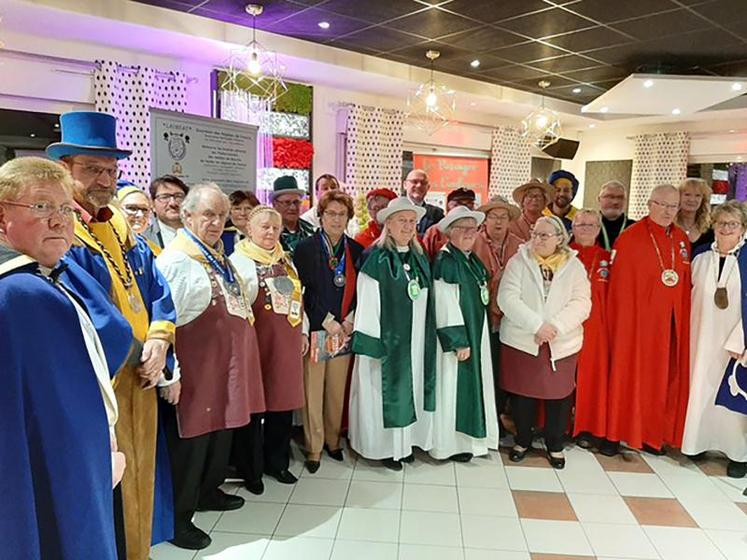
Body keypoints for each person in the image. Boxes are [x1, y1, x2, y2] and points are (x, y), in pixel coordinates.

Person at [48, 111, 177, 560]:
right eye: (92, 169)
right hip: (102, 383)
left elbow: (158, 288)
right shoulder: (64, 234)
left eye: (111, 169)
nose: (104, 179)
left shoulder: (122, 227)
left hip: (143, 377)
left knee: (143, 475)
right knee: (107, 481)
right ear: (65, 169)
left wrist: (161, 342)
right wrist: (139, 349)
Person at [0, 157, 132, 560]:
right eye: (40, 206)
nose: (59, 220)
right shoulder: (21, 295)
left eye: (64, 208)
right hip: (64, 468)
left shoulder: (45, 275)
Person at [156, 183, 265, 549]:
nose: (216, 222)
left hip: (224, 368)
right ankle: (178, 519)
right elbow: (163, 323)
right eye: (208, 215)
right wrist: (169, 374)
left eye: (220, 215)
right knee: (191, 445)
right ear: (187, 216)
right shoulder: (177, 260)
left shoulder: (218, 254)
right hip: (195, 372)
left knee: (220, 435)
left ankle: (208, 491)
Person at [349, 197, 437, 470]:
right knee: (382, 391)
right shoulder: (376, 257)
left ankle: (405, 444)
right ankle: (385, 448)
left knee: (411, 389)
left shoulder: (419, 256)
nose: (409, 226)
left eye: (412, 221)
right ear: (388, 223)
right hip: (386, 342)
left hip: (415, 338)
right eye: (402, 221)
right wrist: (371, 343)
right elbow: (367, 300)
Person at [498, 216, 591, 469]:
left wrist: (555, 328)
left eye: (544, 235)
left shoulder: (574, 266)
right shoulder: (519, 261)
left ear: (560, 239)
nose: (537, 239)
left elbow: (582, 303)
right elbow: (507, 297)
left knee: (559, 397)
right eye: (535, 233)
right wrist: (537, 326)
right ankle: (523, 440)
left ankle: (555, 445)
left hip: (561, 342)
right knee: (522, 395)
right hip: (523, 339)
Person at [605, 184, 692, 456]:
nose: (668, 211)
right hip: (636, 327)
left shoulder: (681, 239)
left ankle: (651, 435)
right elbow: (619, 289)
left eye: (673, 206)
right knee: (628, 377)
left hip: (669, 327)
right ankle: (617, 433)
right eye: (663, 205)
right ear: (649, 204)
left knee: (661, 382)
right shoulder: (630, 238)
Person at [231, 205, 308, 492]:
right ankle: (251, 471)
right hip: (255, 344)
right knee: (252, 409)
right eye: (264, 226)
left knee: (281, 406)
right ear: (249, 229)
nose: (271, 232)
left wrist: (303, 330)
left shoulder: (286, 260)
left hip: (285, 344)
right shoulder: (239, 261)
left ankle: (278, 463)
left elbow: (298, 297)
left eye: (275, 227)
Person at [294, 191, 365, 473]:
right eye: (331, 213)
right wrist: (326, 321)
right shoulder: (305, 248)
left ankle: (333, 441)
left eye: (342, 214)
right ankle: (314, 447)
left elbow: (361, 292)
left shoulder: (357, 251)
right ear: (320, 215)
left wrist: (348, 320)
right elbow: (302, 292)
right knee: (313, 390)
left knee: (337, 390)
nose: (336, 219)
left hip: (344, 331)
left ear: (349, 218)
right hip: (317, 330)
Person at [682, 201, 747, 478]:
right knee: (701, 389)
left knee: (734, 398)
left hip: (735, 343)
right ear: (714, 225)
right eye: (721, 223)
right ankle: (697, 443)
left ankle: (738, 454)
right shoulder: (700, 257)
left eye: (733, 224)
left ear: (743, 228)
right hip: (701, 337)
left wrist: (741, 341)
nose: (726, 228)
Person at [431, 205, 499, 461]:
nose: (471, 233)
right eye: (464, 228)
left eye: (474, 228)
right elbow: (444, 303)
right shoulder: (446, 260)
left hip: (476, 334)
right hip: (457, 342)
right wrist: (458, 340)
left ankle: (471, 441)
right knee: (453, 388)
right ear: (450, 232)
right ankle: (452, 445)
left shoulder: (470, 258)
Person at [472, 196, 522, 438]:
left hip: (512, 321)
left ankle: (501, 417)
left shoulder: (521, 246)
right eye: (493, 216)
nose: (499, 221)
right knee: (485, 368)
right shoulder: (474, 242)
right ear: (485, 220)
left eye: (504, 217)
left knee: (506, 371)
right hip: (481, 317)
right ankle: (483, 417)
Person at [569, 209, 611, 449]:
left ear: (598, 229)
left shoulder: (607, 258)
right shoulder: (560, 256)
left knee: (591, 379)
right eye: (581, 224)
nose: (586, 228)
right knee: (562, 377)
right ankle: (559, 425)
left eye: (591, 225)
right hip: (566, 325)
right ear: (573, 228)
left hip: (596, 329)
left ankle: (586, 427)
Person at [422, 187, 477, 260]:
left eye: (469, 205)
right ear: (447, 207)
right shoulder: (434, 232)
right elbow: (425, 259)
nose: (463, 209)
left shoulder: (477, 232)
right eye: (457, 205)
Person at [271, 175, 315, 256]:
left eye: (296, 202)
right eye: (287, 203)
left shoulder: (311, 231)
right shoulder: (268, 232)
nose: (293, 207)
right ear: (274, 204)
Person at [145, 175, 189, 249]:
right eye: (164, 197)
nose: (173, 203)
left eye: (178, 196)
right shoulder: (144, 239)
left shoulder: (202, 235)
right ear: (152, 204)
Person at [675, 177, 714, 252]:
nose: (692, 199)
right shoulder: (668, 226)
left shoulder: (711, 228)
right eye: (687, 194)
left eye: (697, 195)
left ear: (703, 199)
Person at [403, 169, 444, 236]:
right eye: (414, 181)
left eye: (423, 183)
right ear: (405, 185)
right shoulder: (395, 210)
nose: (419, 185)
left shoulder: (436, 214)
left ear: (428, 187)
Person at [596, 180, 635, 251]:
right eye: (610, 197)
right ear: (599, 199)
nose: (615, 202)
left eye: (620, 197)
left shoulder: (635, 228)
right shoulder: (588, 226)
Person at [222, 190, 259, 255]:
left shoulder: (263, 236)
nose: (243, 213)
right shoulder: (220, 237)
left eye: (248, 208)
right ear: (229, 212)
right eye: (237, 209)